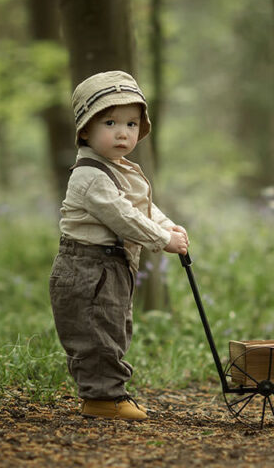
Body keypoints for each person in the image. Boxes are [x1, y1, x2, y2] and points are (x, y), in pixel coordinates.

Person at [49, 70, 189, 421]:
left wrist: (166, 224)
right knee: (95, 332)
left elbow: (141, 207)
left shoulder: (119, 168)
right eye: (110, 122)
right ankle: (102, 399)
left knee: (112, 327)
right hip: (86, 268)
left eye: (130, 123)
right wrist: (162, 240)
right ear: (85, 129)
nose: (122, 132)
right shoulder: (89, 176)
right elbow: (122, 216)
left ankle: (109, 395)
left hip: (111, 266)